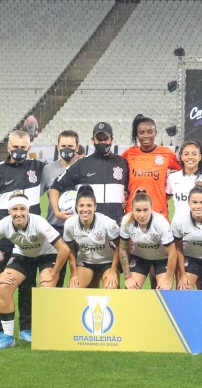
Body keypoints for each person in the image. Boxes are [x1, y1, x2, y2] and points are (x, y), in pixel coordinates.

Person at [0, 191, 70, 349]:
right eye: (14, 209)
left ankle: (45, 334)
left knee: (47, 289)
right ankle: (7, 336)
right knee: (4, 287)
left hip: (47, 255)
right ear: (9, 211)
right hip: (23, 255)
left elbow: (64, 249)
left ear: (27, 210)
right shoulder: (4, 224)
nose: (18, 213)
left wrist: (54, 272)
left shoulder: (39, 222)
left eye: (22, 209)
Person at [0, 130, 45, 345]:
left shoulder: (38, 168)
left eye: (23, 148)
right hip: (4, 241)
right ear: (8, 147)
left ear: (29, 149)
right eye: (15, 147)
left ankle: (27, 328)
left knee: (28, 285)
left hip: (31, 240)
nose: (19, 151)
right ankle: (1, 330)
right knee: (1, 285)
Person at [52, 122, 129, 226]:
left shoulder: (122, 163)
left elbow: (132, 188)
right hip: (87, 229)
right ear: (93, 140)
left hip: (116, 227)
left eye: (105, 139)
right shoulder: (81, 163)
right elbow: (55, 187)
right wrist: (57, 212)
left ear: (112, 140)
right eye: (99, 139)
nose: (102, 142)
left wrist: (126, 199)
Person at [122, 114, 181, 219]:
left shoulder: (166, 153)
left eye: (150, 132)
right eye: (141, 132)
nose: (146, 136)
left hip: (158, 211)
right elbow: (114, 169)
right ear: (137, 134)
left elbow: (186, 170)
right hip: (133, 211)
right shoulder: (129, 153)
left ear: (156, 133)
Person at [63, 185, 121, 289]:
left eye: (89, 205)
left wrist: (113, 271)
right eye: (81, 205)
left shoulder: (107, 223)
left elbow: (120, 246)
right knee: (73, 290)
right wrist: (74, 273)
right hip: (85, 262)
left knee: (112, 289)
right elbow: (69, 248)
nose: (85, 209)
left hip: (107, 262)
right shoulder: (69, 224)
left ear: (95, 207)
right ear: (76, 207)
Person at [42, 130, 80, 286]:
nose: (67, 149)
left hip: (79, 229)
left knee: (79, 275)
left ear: (77, 147)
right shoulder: (48, 170)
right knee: (55, 275)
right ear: (57, 147)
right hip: (54, 228)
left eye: (70, 146)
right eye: (63, 145)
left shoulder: (83, 167)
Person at [119, 189, 177, 289]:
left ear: (152, 208)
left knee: (164, 290)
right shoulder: (126, 221)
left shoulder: (161, 223)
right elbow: (123, 249)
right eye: (138, 210)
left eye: (145, 210)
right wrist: (128, 277)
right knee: (131, 289)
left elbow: (172, 253)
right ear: (132, 209)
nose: (142, 215)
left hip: (162, 259)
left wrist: (168, 280)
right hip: (140, 257)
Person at [167, 139, 202, 221]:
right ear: (181, 157)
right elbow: (163, 199)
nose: (190, 157)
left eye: (194, 154)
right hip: (179, 229)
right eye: (186, 154)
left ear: (200, 157)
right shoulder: (173, 178)